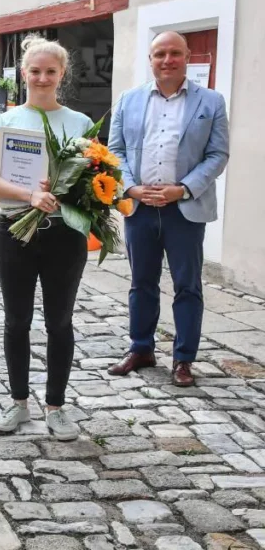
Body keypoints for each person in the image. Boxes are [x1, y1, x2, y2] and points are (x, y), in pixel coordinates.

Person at [0, 34, 93, 442]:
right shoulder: (6, 122)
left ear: (62, 74)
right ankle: (19, 402)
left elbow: (93, 181)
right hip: (13, 231)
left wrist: (65, 191)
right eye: (35, 71)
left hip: (64, 236)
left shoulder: (79, 123)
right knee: (17, 320)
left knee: (59, 321)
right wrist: (30, 195)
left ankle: (56, 406)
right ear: (23, 74)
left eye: (50, 71)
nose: (42, 78)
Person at [107, 31, 229, 387]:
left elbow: (218, 154)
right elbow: (115, 150)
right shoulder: (129, 99)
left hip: (185, 210)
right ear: (150, 59)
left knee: (187, 286)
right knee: (141, 282)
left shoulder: (211, 101)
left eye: (175, 53)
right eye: (160, 53)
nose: (167, 60)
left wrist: (183, 189)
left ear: (187, 57)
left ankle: (184, 359)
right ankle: (141, 348)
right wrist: (130, 187)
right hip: (140, 208)